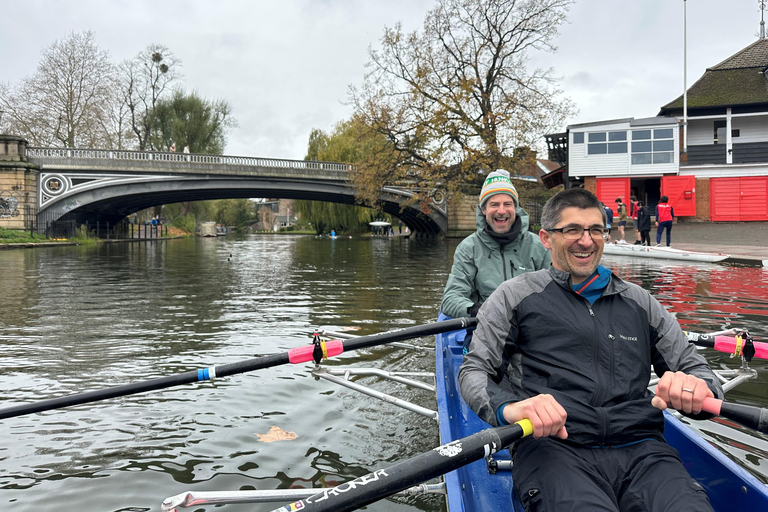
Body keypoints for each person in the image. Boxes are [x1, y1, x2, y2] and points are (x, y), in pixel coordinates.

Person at [458, 188, 722, 512]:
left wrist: (700, 387)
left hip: (642, 450)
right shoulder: (513, 297)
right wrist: (511, 409)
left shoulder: (641, 302)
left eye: (596, 230)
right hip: (555, 446)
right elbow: (475, 371)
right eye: (572, 230)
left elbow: (696, 369)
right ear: (546, 238)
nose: (586, 240)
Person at [441, 169, 551, 323]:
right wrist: (479, 310)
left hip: (531, 329)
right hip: (484, 328)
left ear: (516, 208)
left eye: (507, 204)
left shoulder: (540, 246)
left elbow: (558, 293)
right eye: (494, 205)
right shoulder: (468, 248)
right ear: (484, 210)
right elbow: (450, 299)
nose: (501, 211)